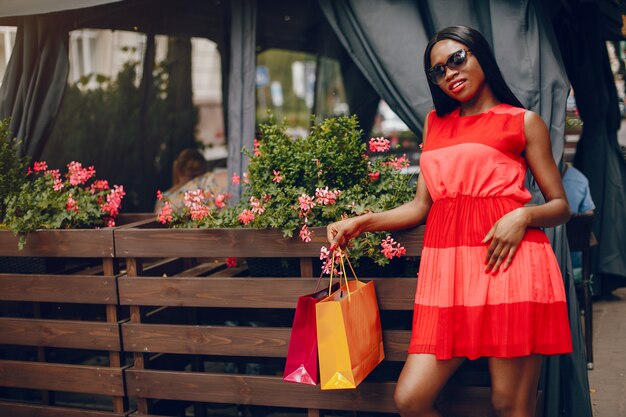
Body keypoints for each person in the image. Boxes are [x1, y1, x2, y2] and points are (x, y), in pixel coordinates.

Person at [327, 26, 572, 417]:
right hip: (449, 278)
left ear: (481, 57)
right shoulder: (435, 124)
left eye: (457, 59)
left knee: (510, 404)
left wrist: (523, 215)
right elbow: (421, 205)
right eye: (438, 71)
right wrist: (362, 221)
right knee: (411, 399)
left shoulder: (523, 122)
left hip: (508, 267)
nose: (449, 74)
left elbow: (561, 206)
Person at [154, 148, 217, 212]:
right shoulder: (208, 189)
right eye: (192, 177)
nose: (194, 183)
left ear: (178, 170)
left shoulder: (165, 198)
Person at [562, 162, 595, 270]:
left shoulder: (528, 177)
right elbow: (588, 214)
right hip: (574, 262)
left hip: (542, 258)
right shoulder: (579, 178)